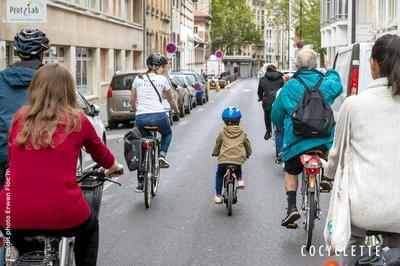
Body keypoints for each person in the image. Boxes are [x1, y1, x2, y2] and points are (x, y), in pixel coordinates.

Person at [0, 64, 123, 266]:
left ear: (35, 88)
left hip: (10, 213)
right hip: (63, 212)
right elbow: (102, 156)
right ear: (68, 90)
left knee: (21, 246)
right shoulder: (77, 120)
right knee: (91, 226)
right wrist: (114, 166)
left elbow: (13, 158)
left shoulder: (19, 119)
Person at [326, 34, 400, 265]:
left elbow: (337, 154)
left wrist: (328, 174)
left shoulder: (354, 104)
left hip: (362, 211)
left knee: (352, 246)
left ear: (373, 64)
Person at [271, 49, 342, 227]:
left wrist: (281, 124)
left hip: (295, 142)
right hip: (323, 140)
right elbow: (338, 84)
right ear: (316, 65)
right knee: (326, 148)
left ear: (296, 66)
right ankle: (326, 176)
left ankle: (291, 207)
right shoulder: (326, 83)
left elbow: (276, 117)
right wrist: (329, 69)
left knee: (290, 170)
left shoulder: (289, 87)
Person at [0, 27, 49, 189]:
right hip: (40, 156)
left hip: (5, 156)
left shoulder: (1, 78)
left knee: (5, 208)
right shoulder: (51, 80)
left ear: (17, 53)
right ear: (42, 53)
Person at [130, 53, 180, 192]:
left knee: (140, 145)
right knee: (167, 133)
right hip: (158, 115)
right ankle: (162, 155)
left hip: (140, 118)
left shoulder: (137, 79)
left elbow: (132, 100)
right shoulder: (163, 80)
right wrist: (176, 111)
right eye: (163, 67)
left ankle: (141, 183)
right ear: (156, 67)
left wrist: (135, 110)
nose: (164, 70)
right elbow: (170, 100)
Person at [212, 107, 252, 204]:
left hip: (224, 160)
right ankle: (239, 179)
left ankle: (218, 196)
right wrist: (248, 153)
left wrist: (215, 152)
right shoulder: (242, 133)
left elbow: (218, 145)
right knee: (237, 164)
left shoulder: (222, 133)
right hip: (238, 159)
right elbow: (247, 145)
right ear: (239, 121)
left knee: (219, 174)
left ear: (224, 121)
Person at [257, 64, 284, 140]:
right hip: (278, 102)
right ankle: (282, 128)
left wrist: (260, 97)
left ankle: (268, 131)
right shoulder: (281, 78)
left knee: (267, 115)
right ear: (275, 70)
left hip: (267, 102)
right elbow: (283, 90)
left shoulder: (262, 79)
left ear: (267, 70)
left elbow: (259, 92)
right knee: (281, 115)